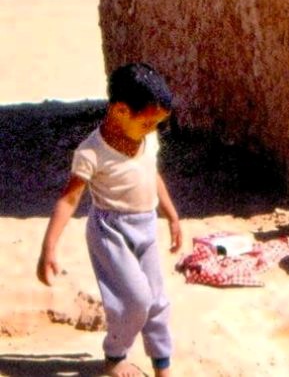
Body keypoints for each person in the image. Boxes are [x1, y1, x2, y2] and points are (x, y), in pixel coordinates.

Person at [37, 63, 181, 377]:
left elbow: (151, 175)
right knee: (135, 300)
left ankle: (162, 364)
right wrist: (48, 248)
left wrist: (171, 215)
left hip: (146, 227)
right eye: (147, 123)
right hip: (110, 231)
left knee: (157, 301)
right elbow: (69, 199)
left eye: (157, 124)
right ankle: (115, 354)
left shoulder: (148, 140)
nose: (152, 130)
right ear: (120, 111)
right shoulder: (91, 153)